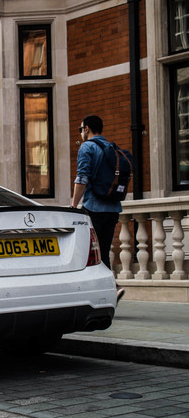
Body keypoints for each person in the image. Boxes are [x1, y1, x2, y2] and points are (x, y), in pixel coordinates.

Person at [71, 115, 124, 302]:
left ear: (87, 129)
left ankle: (111, 288)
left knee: (92, 252)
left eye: (80, 129)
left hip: (94, 207)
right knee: (102, 250)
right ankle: (109, 289)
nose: (81, 133)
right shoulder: (111, 148)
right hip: (113, 208)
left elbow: (82, 177)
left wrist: (73, 204)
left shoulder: (87, 147)